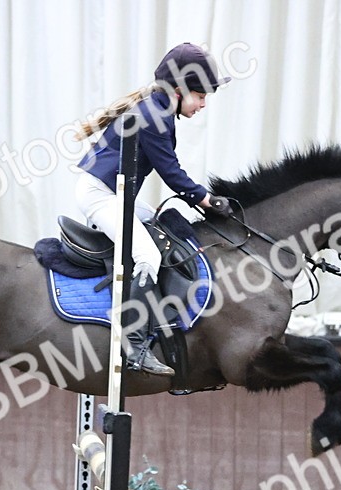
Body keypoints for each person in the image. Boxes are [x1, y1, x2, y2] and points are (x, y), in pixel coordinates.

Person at [74, 43, 234, 376]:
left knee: (157, 223)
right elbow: (171, 173)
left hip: (116, 194)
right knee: (149, 257)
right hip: (101, 195)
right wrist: (206, 200)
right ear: (178, 90)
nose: (204, 104)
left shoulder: (157, 109)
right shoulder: (152, 116)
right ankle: (132, 346)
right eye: (200, 95)